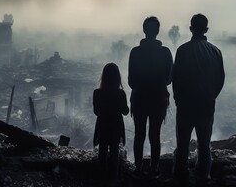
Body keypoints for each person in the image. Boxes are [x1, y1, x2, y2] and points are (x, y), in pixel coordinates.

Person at [172, 13, 225, 185]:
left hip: (186, 104)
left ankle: (181, 175)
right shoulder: (216, 52)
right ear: (206, 29)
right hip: (206, 104)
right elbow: (220, 79)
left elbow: (176, 79)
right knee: (204, 143)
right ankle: (203, 175)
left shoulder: (182, 50)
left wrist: (178, 100)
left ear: (190, 29)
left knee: (183, 143)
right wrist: (211, 96)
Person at [128, 16, 173, 176]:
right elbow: (169, 79)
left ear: (144, 30)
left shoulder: (135, 52)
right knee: (155, 135)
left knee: (139, 134)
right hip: (159, 99)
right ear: (158, 31)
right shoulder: (166, 53)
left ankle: (138, 168)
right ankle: (154, 168)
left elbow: (131, 82)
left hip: (139, 98)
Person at [93, 63, 130, 182]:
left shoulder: (97, 93)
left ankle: (101, 179)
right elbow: (125, 111)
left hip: (102, 125)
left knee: (102, 153)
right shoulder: (120, 93)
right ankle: (113, 180)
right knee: (114, 153)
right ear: (117, 77)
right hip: (116, 126)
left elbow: (96, 111)